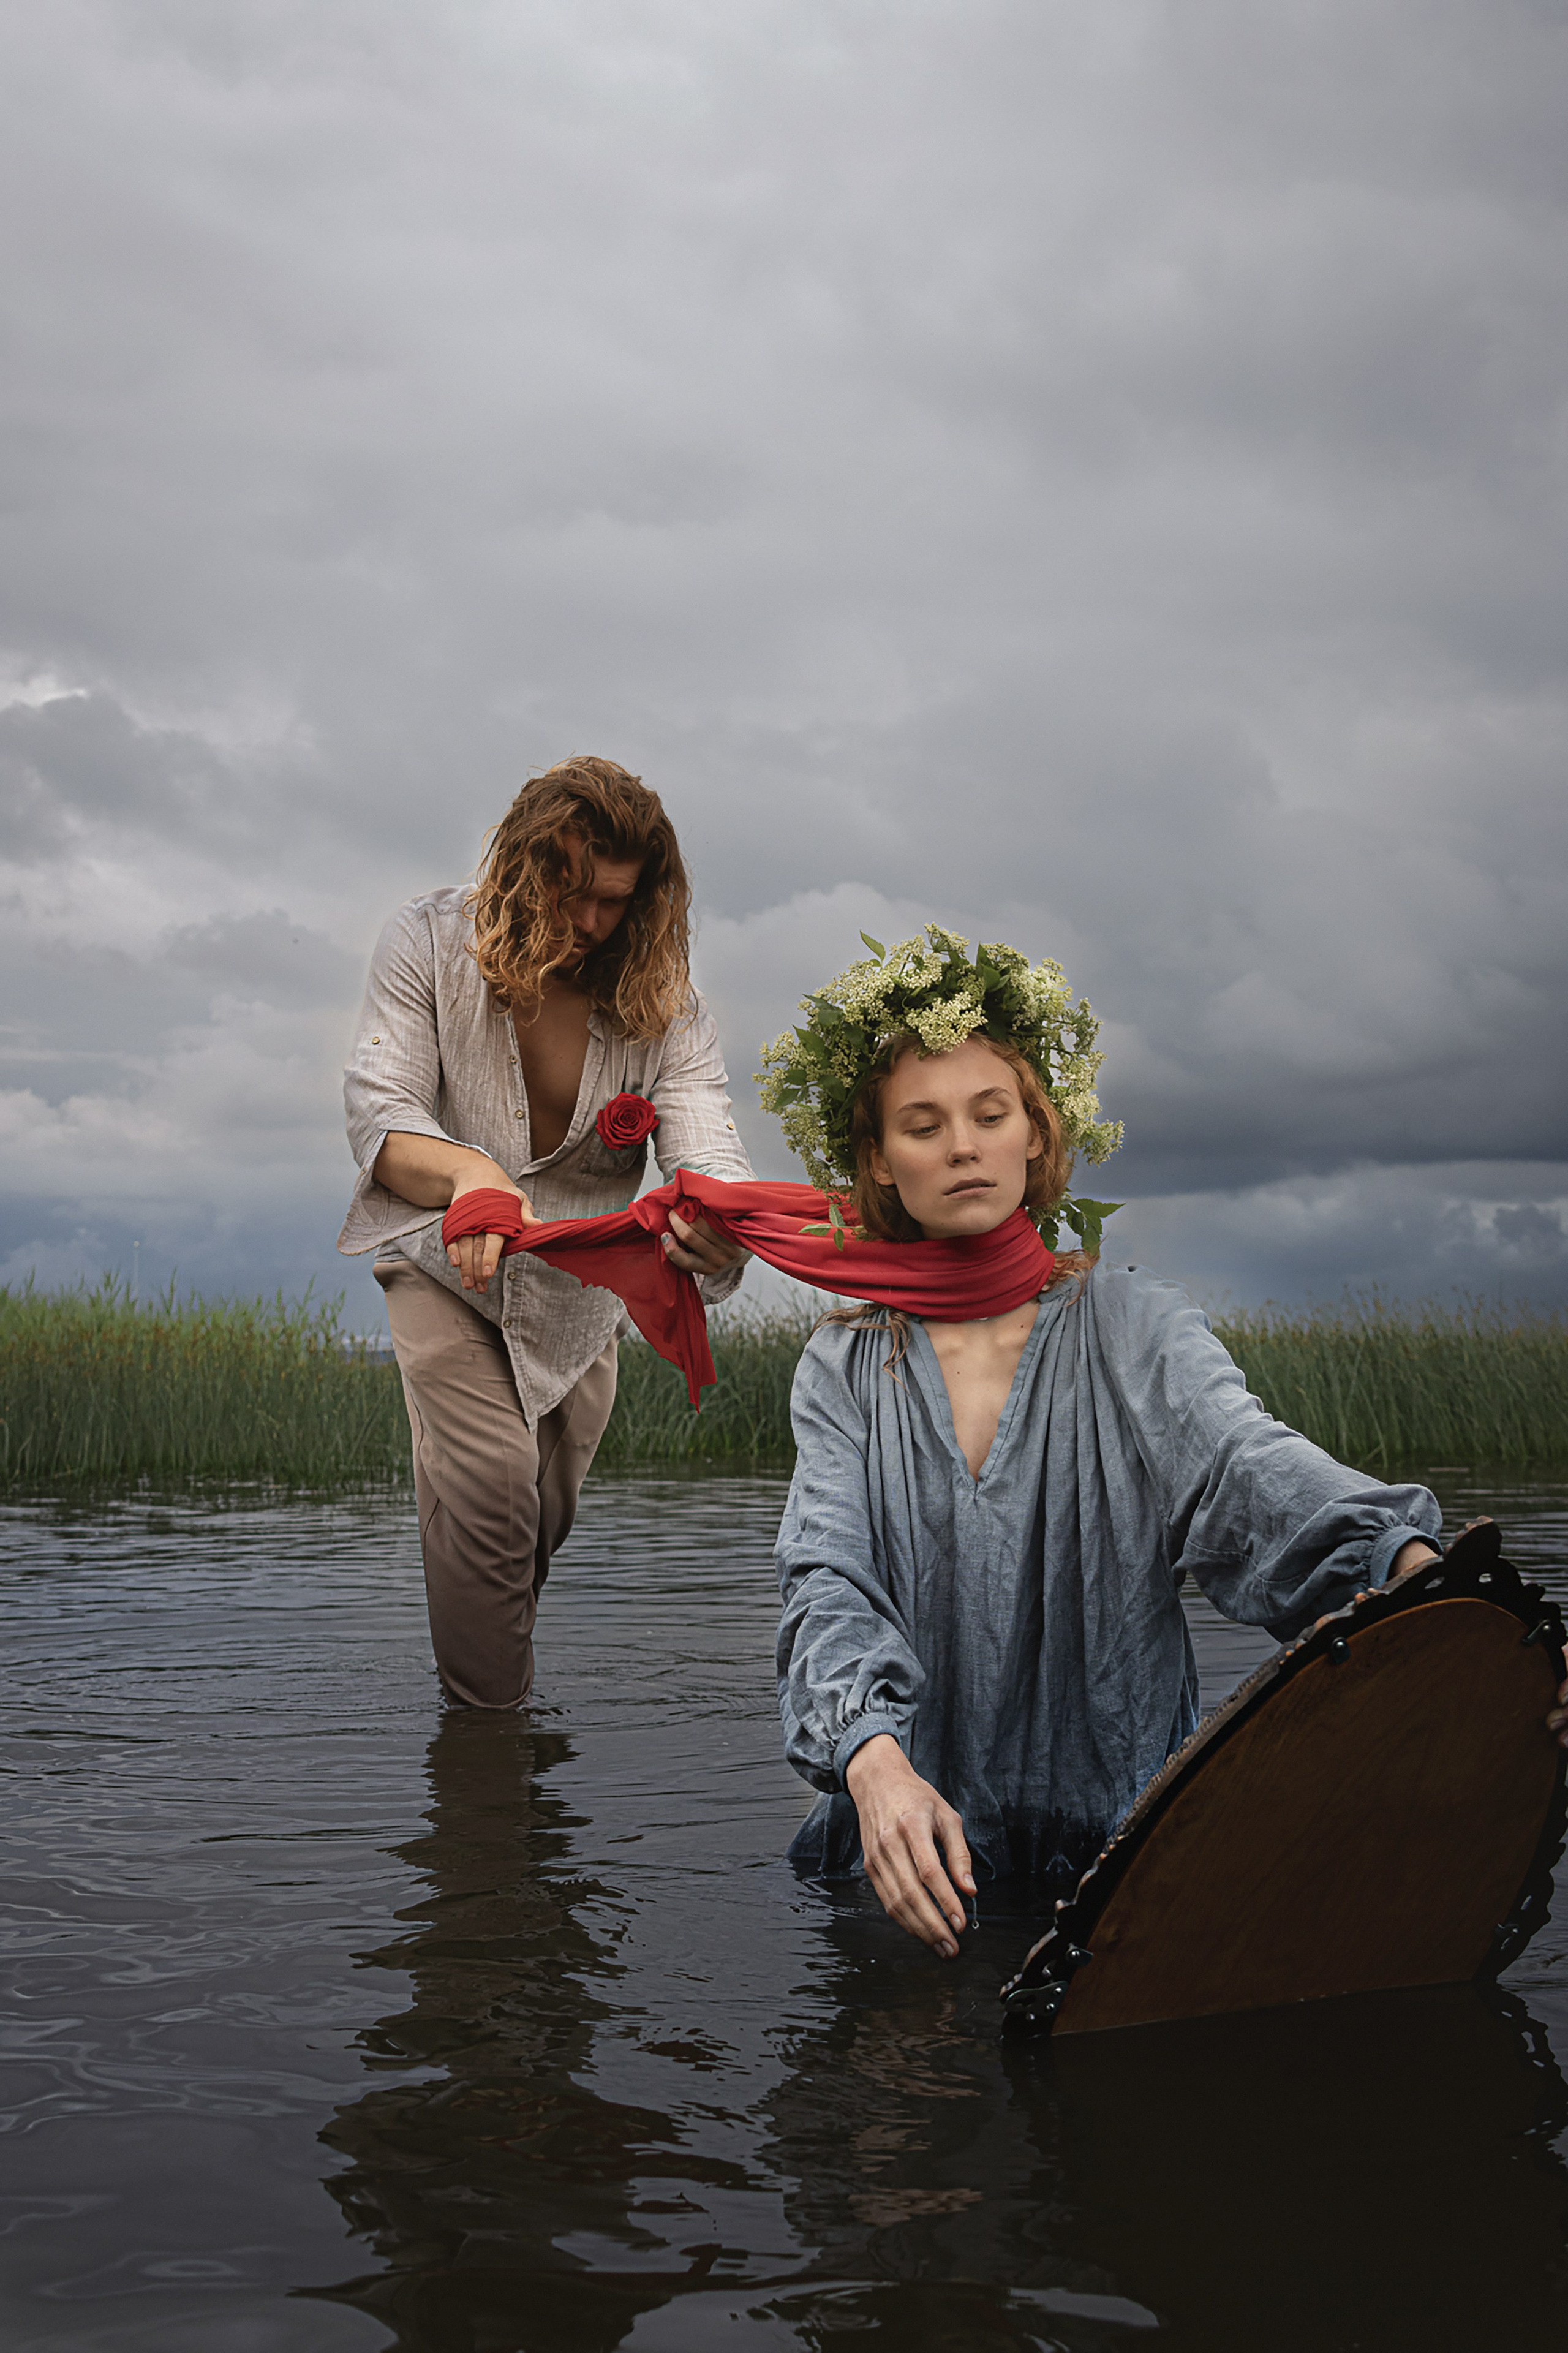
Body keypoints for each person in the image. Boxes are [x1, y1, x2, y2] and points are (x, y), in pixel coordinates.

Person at [767, 927, 1457, 1961]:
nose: (962, 1145)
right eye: (923, 1123)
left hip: (1124, 1861)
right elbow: (827, 1577)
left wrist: (1421, 1576)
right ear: (878, 1159)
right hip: (909, 1860)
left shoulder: (1128, 1321)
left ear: (1035, 1135)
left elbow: (1242, 1465)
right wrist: (872, 1762)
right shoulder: (846, 1366)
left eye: (989, 1114)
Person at [338, 757, 752, 1709]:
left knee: (529, 1531)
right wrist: (469, 1175)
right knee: (491, 1489)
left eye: (615, 901)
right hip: (448, 1273)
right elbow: (380, 1107)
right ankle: (490, 1770)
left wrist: (717, 1227)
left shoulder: (666, 1003)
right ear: (522, 864)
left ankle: (491, 1718)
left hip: (581, 1306)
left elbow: (707, 1145)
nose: (590, 922)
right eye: (568, 890)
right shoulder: (424, 941)